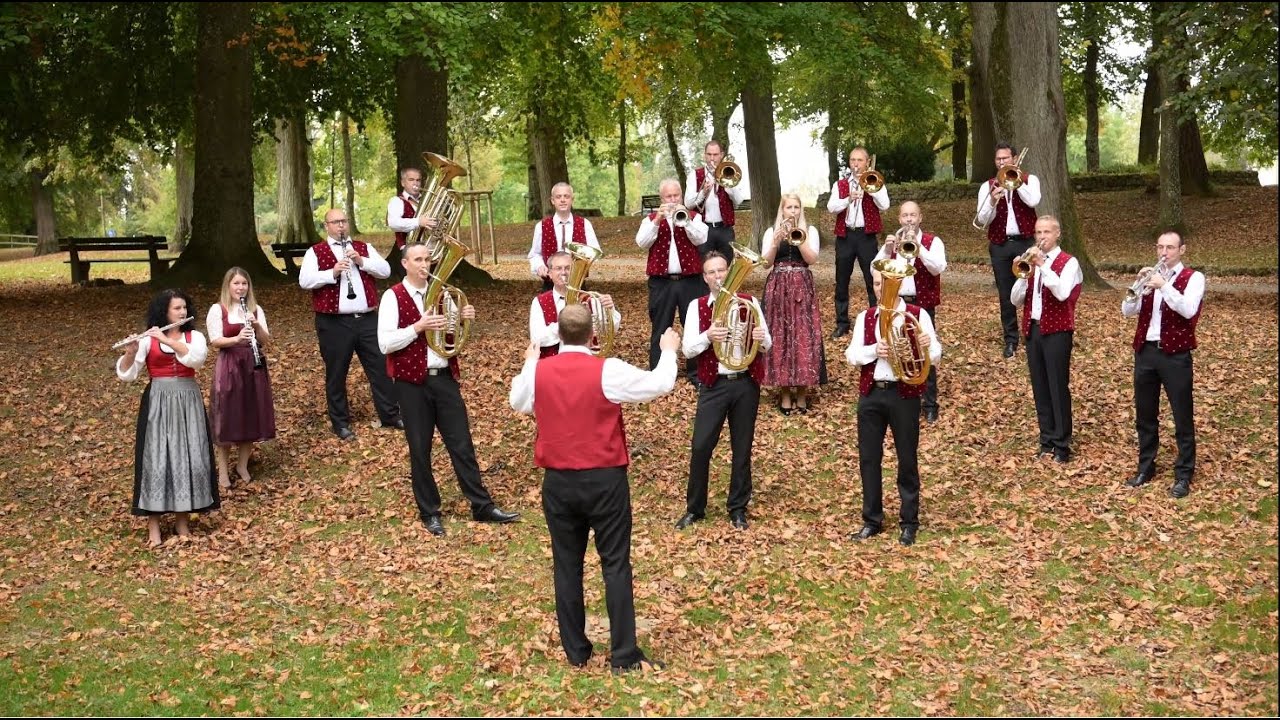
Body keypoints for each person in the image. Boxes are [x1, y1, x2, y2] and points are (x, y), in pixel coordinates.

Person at [509, 305, 680, 673]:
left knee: (566, 565)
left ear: (558, 333)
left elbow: (518, 402)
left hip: (558, 482)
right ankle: (623, 655)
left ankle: (577, 651)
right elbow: (659, 384)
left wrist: (529, 363)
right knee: (615, 563)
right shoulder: (608, 369)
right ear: (592, 335)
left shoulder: (539, 371)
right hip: (604, 479)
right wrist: (668, 349)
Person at [378, 242, 520, 536]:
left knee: (462, 444)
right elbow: (385, 343)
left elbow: (453, 336)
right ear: (404, 264)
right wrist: (418, 326)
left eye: (427, 259)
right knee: (420, 449)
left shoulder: (443, 294)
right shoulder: (393, 297)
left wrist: (463, 319)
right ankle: (430, 512)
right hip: (411, 383)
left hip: (443, 378)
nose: (424, 264)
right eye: (417, 259)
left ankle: (481, 506)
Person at [845, 269, 942, 547]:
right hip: (872, 394)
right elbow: (852, 355)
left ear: (899, 285)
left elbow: (936, 356)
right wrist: (874, 350)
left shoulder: (918, 315)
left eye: (886, 283)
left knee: (907, 458)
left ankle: (909, 521)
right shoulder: (866, 317)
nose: (880, 288)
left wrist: (926, 347)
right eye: (877, 283)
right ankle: (871, 520)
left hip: (904, 394)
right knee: (869, 458)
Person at [677, 251, 772, 531]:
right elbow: (687, 349)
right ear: (705, 278)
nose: (718, 276)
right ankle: (695, 508)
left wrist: (760, 337)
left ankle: (738, 508)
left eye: (722, 270)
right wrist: (708, 336)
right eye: (712, 273)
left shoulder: (750, 302)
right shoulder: (697, 306)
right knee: (701, 446)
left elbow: (767, 344)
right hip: (714, 384)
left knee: (742, 448)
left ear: (729, 271)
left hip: (745, 382)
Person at [116, 289, 219, 547]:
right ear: (164, 311)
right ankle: (153, 527)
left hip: (187, 400)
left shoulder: (193, 336)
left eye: (184, 307)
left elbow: (196, 360)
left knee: (188, 458)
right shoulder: (148, 340)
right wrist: (130, 352)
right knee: (157, 460)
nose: (182, 312)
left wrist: (167, 339)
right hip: (158, 401)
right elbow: (126, 375)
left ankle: (182, 521)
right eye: (177, 308)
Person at [298, 209, 401, 441]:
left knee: (380, 368)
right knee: (336, 373)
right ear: (327, 226)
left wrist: (361, 261)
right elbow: (305, 280)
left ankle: (390, 415)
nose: (341, 226)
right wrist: (332, 272)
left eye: (344, 221)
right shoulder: (316, 252)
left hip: (367, 320)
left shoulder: (363, 248)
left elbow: (385, 271)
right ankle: (341, 423)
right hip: (333, 322)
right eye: (336, 222)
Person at [1121, 230, 1205, 498]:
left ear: (1182, 250)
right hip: (1145, 351)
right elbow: (1127, 311)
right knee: (1145, 414)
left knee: (1182, 414)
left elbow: (1188, 309)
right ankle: (1146, 466)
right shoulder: (1150, 277)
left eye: (1170, 247)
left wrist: (1164, 286)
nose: (1164, 253)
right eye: (1160, 247)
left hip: (1175, 354)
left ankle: (1184, 473)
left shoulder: (1193, 278)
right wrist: (1137, 288)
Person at [1011, 215, 1081, 464]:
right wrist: (1022, 276)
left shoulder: (1069, 262)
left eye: (1047, 232)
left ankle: (1062, 444)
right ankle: (1047, 439)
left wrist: (1043, 266)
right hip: (1034, 328)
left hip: (1058, 330)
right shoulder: (1031, 263)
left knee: (1057, 386)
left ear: (1057, 234)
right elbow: (1015, 300)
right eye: (1038, 232)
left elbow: (1062, 293)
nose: (1041, 237)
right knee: (1040, 387)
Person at [873, 201, 947, 422]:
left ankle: (930, 403)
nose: (909, 220)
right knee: (899, 349)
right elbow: (875, 269)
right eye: (905, 216)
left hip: (922, 303)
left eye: (912, 215)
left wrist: (919, 247)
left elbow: (938, 267)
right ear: (899, 219)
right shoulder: (893, 242)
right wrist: (887, 250)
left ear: (920, 218)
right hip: (895, 303)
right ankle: (905, 396)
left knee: (924, 348)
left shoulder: (932, 241)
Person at [207, 267, 276, 489]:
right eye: (236, 283)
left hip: (253, 364)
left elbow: (266, 340)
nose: (240, 288)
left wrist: (256, 325)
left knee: (250, 413)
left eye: (244, 284)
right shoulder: (218, 309)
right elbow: (215, 340)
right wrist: (236, 339)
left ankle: (242, 465)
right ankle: (223, 471)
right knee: (227, 416)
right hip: (230, 365)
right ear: (228, 286)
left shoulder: (255, 309)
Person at [759, 193, 826, 415]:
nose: (793, 211)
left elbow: (811, 259)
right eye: (789, 207)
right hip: (778, 285)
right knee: (781, 335)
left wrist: (801, 237)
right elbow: (765, 264)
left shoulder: (810, 231)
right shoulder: (771, 231)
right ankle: (785, 392)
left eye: (797, 207)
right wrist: (776, 241)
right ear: (782, 210)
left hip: (801, 285)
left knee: (803, 335)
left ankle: (802, 392)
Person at [636, 178, 709, 376]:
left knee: (694, 325)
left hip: (691, 280)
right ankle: (659, 371)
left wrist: (685, 222)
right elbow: (642, 243)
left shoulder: (693, 217)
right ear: (661, 198)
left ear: (681, 196)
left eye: (676, 195)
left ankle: (696, 373)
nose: (673, 199)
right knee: (660, 325)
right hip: (661, 282)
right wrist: (657, 220)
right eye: (668, 196)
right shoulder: (650, 220)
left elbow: (701, 238)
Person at [975, 142, 1042, 358]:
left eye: (1005, 158)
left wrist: (1016, 182)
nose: (1002, 162)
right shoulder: (988, 186)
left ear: (1014, 159)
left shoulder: (1029, 180)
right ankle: (1010, 340)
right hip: (1000, 244)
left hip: (1025, 242)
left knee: (1032, 290)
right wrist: (993, 201)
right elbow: (982, 220)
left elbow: (1034, 200)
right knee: (1006, 294)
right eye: (998, 159)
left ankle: (1033, 335)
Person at [826, 147, 891, 338]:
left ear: (867, 162)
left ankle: (876, 320)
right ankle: (842, 323)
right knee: (842, 281)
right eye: (853, 160)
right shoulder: (841, 185)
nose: (856, 164)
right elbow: (831, 207)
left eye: (860, 160)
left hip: (866, 237)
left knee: (873, 280)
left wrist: (872, 189)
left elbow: (885, 205)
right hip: (845, 237)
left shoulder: (875, 181)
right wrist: (847, 199)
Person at [529, 251, 620, 358]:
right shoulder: (539, 302)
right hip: (553, 365)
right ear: (550, 273)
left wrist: (610, 309)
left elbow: (610, 329)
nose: (563, 272)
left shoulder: (589, 299)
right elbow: (536, 338)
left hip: (586, 364)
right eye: (558, 268)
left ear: (573, 272)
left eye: (568, 268)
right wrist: (566, 325)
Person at [529, 183, 601, 292]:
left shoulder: (585, 224)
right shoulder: (541, 226)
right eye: (558, 197)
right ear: (552, 201)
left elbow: (595, 252)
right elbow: (535, 254)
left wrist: (582, 266)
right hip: (550, 285)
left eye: (566, 196)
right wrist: (539, 266)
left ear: (572, 199)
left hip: (578, 286)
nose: (562, 200)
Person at [684, 140, 744, 259]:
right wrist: (703, 193)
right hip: (703, 228)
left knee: (726, 264)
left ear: (721, 155)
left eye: (715, 155)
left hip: (725, 228)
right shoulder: (694, 175)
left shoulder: (730, 172)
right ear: (704, 155)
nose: (712, 158)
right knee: (704, 264)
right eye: (709, 154)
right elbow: (688, 204)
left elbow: (739, 201)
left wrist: (727, 185)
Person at [385, 166, 439, 283]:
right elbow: (393, 223)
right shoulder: (396, 201)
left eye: (418, 180)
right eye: (411, 180)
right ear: (403, 182)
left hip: (429, 254)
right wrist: (418, 222)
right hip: (408, 255)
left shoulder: (429, 202)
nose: (415, 183)